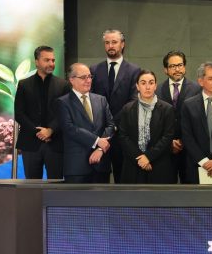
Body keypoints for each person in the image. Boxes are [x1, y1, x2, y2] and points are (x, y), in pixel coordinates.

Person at [90, 29, 140, 183]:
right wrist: (105, 128)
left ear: (122, 44)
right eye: (107, 42)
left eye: (114, 42)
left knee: (123, 182)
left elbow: (132, 102)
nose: (110, 46)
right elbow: (91, 100)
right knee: (99, 183)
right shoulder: (94, 70)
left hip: (122, 135)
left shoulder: (134, 71)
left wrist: (112, 125)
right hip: (99, 135)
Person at [14, 45, 71, 179]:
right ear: (37, 62)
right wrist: (38, 132)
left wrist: (51, 130)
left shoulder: (63, 85)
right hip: (30, 143)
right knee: (32, 186)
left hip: (55, 143)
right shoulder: (24, 84)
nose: (51, 63)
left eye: (53, 60)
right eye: (47, 60)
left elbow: (65, 113)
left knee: (55, 185)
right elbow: (19, 114)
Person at [59, 63, 114, 183]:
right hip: (77, 168)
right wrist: (97, 140)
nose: (88, 80)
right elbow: (69, 128)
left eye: (90, 76)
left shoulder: (101, 100)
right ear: (72, 80)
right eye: (83, 77)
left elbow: (111, 125)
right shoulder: (63, 102)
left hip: (101, 165)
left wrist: (100, 149)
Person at [118, 70, 175, 184]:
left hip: (158, 165)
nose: (147, 87)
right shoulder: (127, 109)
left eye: (151, 83)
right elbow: (123, 136)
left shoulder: (167, 109)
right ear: (137, 86)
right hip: (134, 164)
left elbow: (167, 137)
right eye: (143, 83)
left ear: (155, 86)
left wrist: (148, 157)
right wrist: (140, 157)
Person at [156, 50, 202, 183]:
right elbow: (155, 122)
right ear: (165, 70)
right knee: (166, 190)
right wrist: (169, 142)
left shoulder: (197, 89)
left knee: (190, 190)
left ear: (184, 67)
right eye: (172, 66)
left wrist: (183, 141)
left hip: (190, 151)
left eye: (180, 65)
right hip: (165, 150)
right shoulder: (157, 91)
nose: (177, 69)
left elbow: (199, 122)